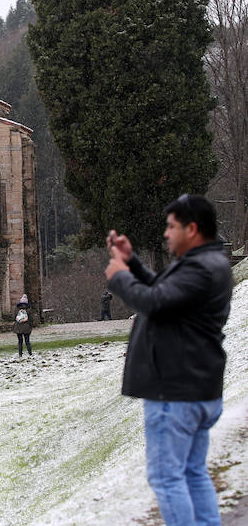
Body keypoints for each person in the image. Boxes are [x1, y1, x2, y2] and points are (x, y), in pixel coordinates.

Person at [105, 194, 232, 526]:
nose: (166, 233)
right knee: (191, 472)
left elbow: (155, 303)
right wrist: (131, 263)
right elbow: (165, 292)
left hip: (176, 392)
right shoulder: (206, 263)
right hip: (195, 387)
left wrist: (120, 276)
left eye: (171, 226)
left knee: (167, 479)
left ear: (192, 229)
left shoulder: (201, 268)